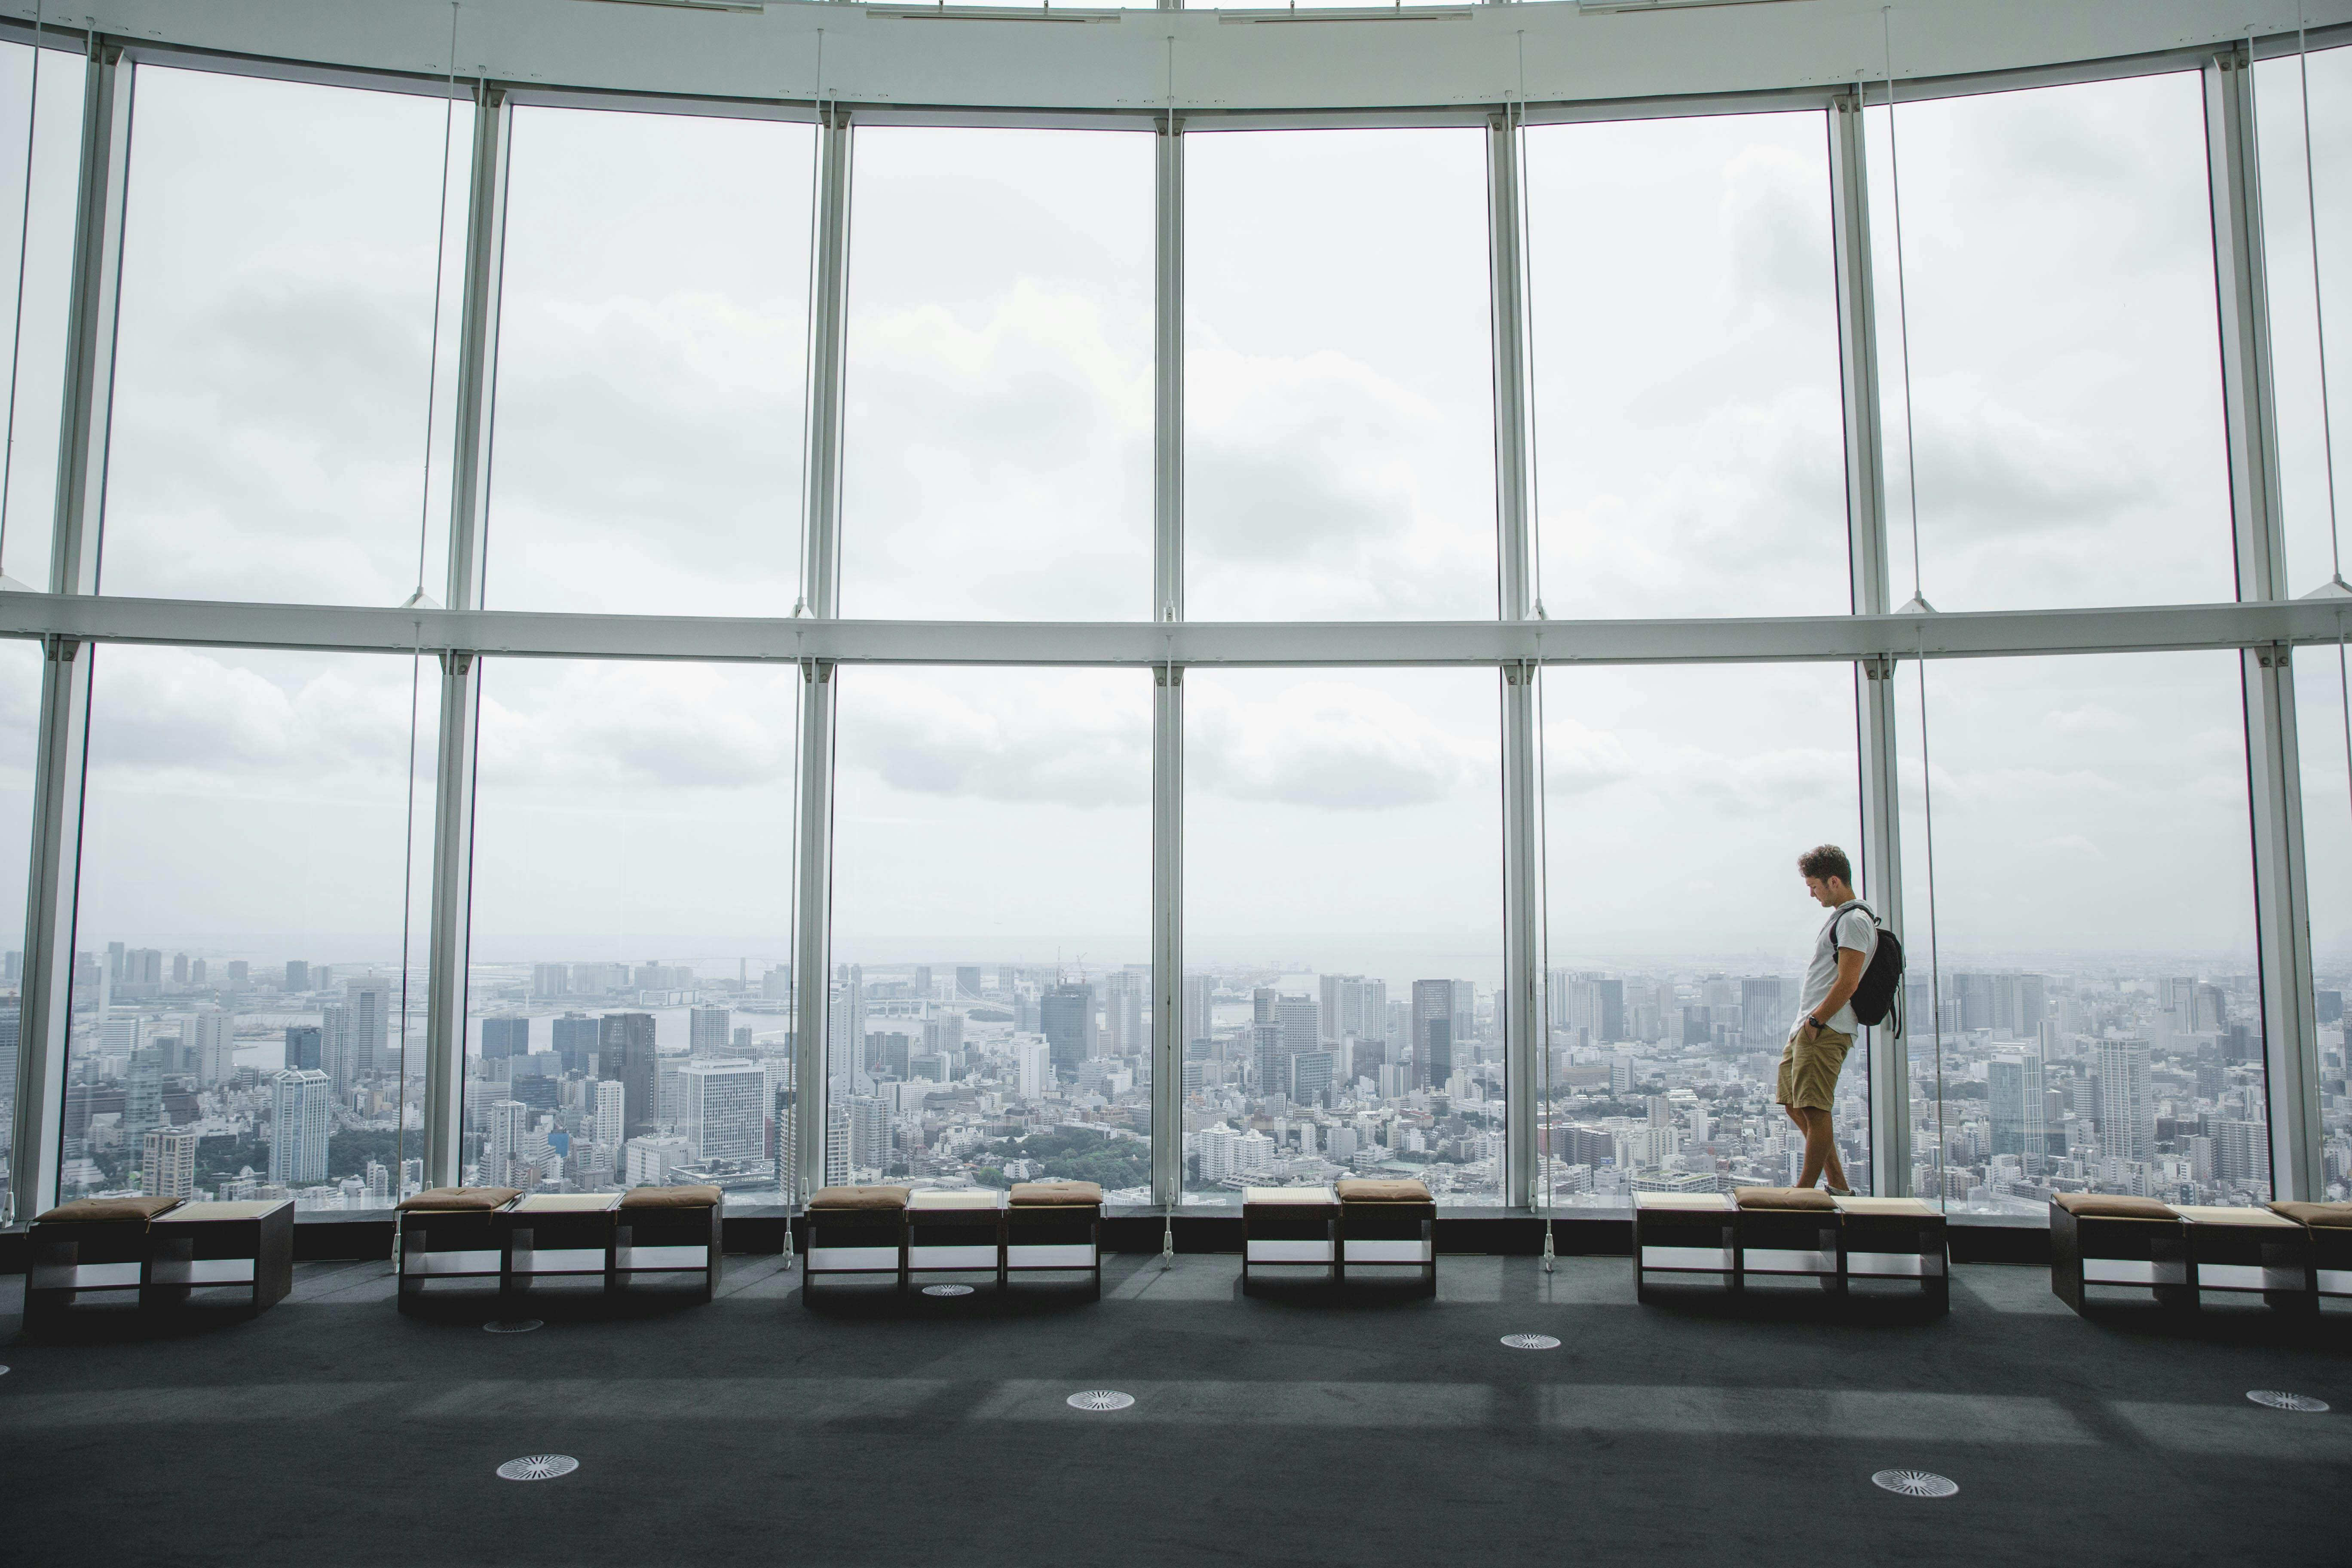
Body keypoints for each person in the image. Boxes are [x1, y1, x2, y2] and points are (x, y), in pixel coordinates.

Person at [1781, 844, 1876, 1194]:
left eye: (1815, 886)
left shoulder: (1854, 921)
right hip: (1810, 1026)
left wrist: (1817, 1022)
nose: (1812, 894)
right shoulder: (1842, 918)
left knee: (1814, 1108)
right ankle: (1838, 1183)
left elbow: (1848, 982)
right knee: (1794, 1103)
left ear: (1834, 881)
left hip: (1826, 1027)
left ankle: (1806, 1189)